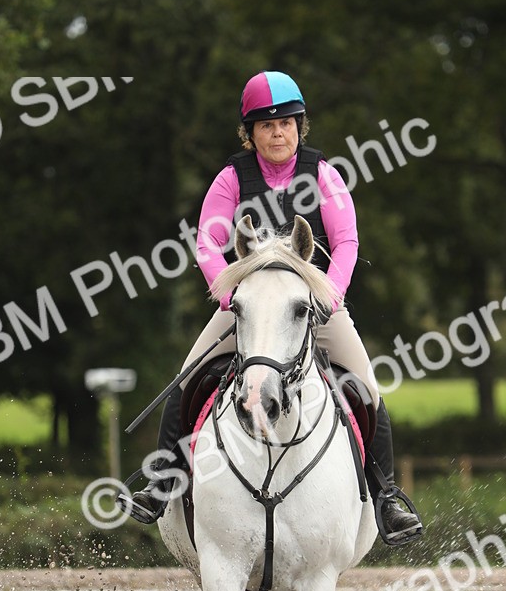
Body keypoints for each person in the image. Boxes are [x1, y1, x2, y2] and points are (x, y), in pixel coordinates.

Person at [127, 70, 422, 545]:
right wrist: (227, 295)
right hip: (246, 303)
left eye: (286, 122)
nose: (277, 132)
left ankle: (386, 496)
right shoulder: (231, 179)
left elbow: (346, 241)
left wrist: (331, 295)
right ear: (250, 133)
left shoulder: (323, 174)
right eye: (266, 125)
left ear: (299, 126)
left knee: (366, 386)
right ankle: (162, 484)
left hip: (314, 304)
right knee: (185, 379)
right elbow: (208, 241)